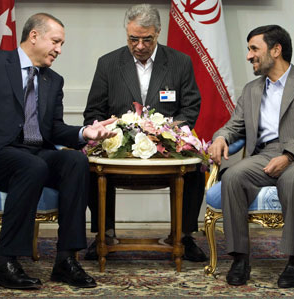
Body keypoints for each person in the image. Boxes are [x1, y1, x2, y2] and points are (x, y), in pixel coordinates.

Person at [0, 13, 117, 290]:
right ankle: (4, 262)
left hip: (32, 153)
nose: (59, 50)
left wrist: (83, 133)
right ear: (34, 36)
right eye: (56, 42)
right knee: (32, 165)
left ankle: (66, 260)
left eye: (62, 44)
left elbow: (53, 129)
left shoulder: (54, 80)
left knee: (76, 160)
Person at [208, 25, 294, 288]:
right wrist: (221, 137)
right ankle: (240, 259)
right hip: (265, 154)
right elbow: (234, 125)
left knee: (292, 179)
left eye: (254, 49)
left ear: (276, 50)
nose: (249, 56)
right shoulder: (252, 89)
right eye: (249, 49)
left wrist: (289, 155)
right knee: (232, 176)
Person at [83, 4, 207, 262]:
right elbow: (93, 111)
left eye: (146, 39)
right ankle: (104, 235)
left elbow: (191, 106)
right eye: (133, 39)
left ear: (158, 33)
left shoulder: (179, 62)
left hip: (165, 150)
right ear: (126, 34)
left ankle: (183, 236)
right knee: (89, 167)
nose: (139, 46)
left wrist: (167, 133)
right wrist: (111, 132)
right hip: (119, 150)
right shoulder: (108, 64)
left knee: (196, 167)